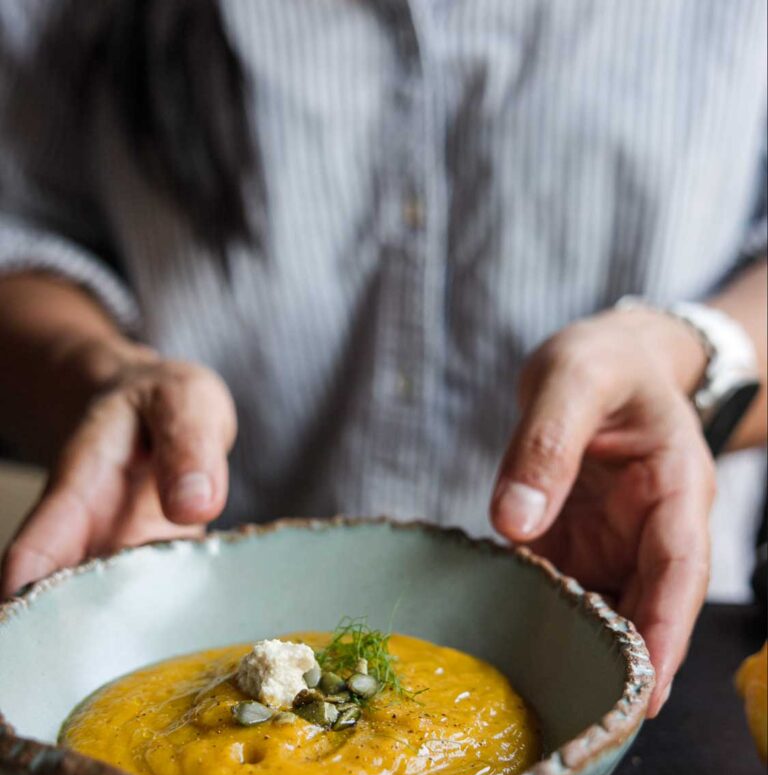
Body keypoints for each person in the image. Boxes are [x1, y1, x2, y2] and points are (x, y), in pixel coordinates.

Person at [0, 1, 765, 719]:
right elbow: (19, 233)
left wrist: (695, 358)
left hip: (656, 644)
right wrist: (98, 376)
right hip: (168, 640)